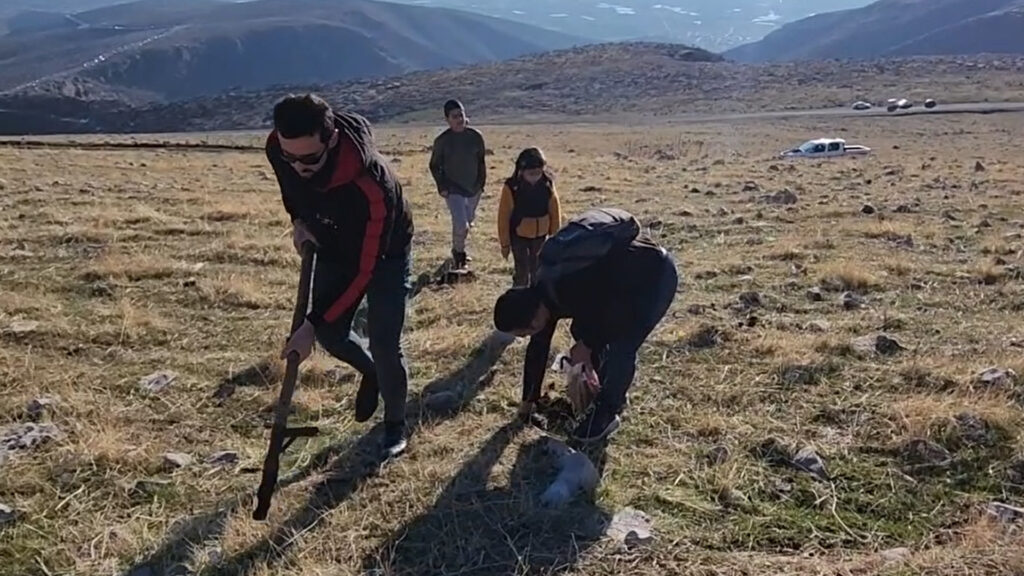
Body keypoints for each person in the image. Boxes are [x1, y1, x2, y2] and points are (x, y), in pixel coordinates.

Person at [265, 93, 415, 458]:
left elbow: (365, 270)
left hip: (384, 254)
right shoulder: (279, 148)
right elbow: (293, 192)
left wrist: (309, 324)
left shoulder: (372, 187)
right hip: (331, 241)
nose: (298, 166)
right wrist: (299, 222)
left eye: (310, 159)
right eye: (290, 157)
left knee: (384, 342)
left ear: (331, 140)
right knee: (332, 335)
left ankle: (395, 422)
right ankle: (373, 373)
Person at [492, 208, 678, 443]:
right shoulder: (540, 293)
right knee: (583, 334)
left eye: (523, 332)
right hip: (618, 285)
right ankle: (602, 392)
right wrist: (528, 401)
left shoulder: (569, 285)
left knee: (623, 343)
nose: (526, 337)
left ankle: (607, 413)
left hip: (653, 278)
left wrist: (589, 344)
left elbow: (613, 309)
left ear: (534, 318)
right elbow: (538, 348)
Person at [428, 99, 487, 270]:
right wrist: (442, 186)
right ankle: (459, 254)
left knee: (467, 222)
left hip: (474, 188)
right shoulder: (442, 141)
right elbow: (434, 165)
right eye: (455, 116)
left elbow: (481, 161)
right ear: (447, 119)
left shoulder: (475, 137)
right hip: (453, 188)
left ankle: (458, 247)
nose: (459, 119)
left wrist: (481, 184)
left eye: (461, 114)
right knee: (461, 223)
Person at [497, 147, 562, 287]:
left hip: (541, 236)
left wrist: (555, 237)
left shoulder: (547, 184)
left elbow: (555, 211)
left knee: (538, 271)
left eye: (538, 173)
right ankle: (518, 300)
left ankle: (536, 302)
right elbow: (503, 217)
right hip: (518, 236)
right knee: (522, 272)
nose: (535, 177)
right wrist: (505, 244)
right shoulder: (511, 187)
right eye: (531, 173)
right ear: (521, 171)